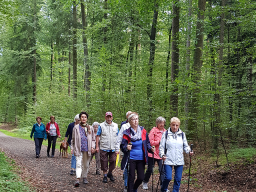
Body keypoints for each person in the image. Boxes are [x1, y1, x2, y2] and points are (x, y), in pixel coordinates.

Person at [120, 112, 155, 192]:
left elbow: (147, 144)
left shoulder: (143, 131)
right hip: (131, 158)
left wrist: (150, 149)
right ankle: (130, 190)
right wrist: (126, 147)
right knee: (131, 177)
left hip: (141, 158)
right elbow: (122, 145)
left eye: (136, 119)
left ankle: (134, 188)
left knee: (141, 178)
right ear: (129, 121)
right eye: (133, 119)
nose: (135, 121)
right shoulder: (126, 133)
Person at [159, 117, 193, 192]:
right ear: (170, 125)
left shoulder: (182, 134)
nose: (175, 127)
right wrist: (162, 155)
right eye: (173, 125)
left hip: (179, 159)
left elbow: (186, 146)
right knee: (168, 177)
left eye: (177, 125)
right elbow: (161, 147)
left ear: (179, 125)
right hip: (168, 159)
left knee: (178, 179)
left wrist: (189, 151)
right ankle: (164, 189)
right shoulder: (166, 134)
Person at [142, 116, 167, 190]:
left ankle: (163, 186)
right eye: (160, 123)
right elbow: (150, 142)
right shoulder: (153, 130)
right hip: (152, 153)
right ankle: (145, 181)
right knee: (150, 169)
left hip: (161, 154)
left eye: (163, 123)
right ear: (157, 123)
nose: (162, 124)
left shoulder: (166, 132)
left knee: (162, 170)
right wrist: (158, 142)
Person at [72, 111, 96, 187]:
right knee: (78, 164)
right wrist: (72, 148)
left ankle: (84, 177)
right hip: (78, 148)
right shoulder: (76, 128)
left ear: (87, 119)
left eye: (85, 117)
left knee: (86, 164)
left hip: (87, 148)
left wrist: (92, 147)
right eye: (82, 117)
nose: (83, 118)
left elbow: (93, 139)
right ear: (80, 118)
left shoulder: (90, 128)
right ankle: (78, 179)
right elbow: (72, 139)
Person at [96, 111, 119, 183]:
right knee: (104, 161)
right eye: (107, 117)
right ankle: (105, 175)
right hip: (104, 147)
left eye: (110, 117)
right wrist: (97, 146)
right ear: (105, 117)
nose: (109, 118)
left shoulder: (116, 125)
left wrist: (118, 147)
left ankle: (110, 172)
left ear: (112, 117)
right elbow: (97, 136)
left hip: (113, 147)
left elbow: (118, 136)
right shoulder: (101, 125)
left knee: (113, 160)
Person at [115, 111, 132, 192]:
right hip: (125, 149)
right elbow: (119, 138)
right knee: (126, 167)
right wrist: (117, 148)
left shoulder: (139, 127)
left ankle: (131, 184)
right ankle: (126, 185)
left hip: (135, 151)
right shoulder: (124, 126)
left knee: (132, 169)